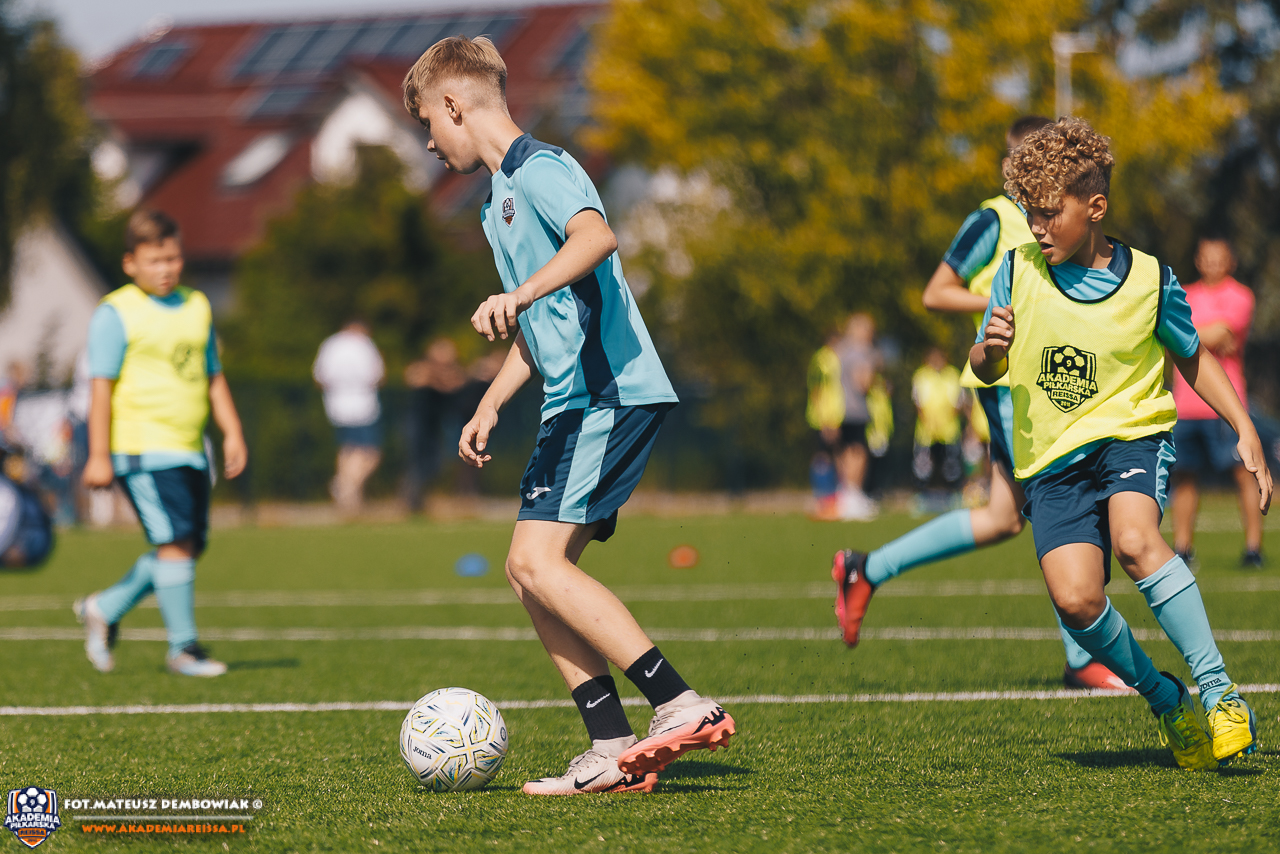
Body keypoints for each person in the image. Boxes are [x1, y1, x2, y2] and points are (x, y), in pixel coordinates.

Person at [402, 35, 735, 795]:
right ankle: (611, 745)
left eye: (428, 122)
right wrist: (490, 402)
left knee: (535, 563)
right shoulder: (495, 205)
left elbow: (596, 237)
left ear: (454, 104)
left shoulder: (541, 167)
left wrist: (519, 293)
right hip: (572, 403)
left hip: (608, 394)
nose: (428, 141)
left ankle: (680, 702)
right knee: (530, 575)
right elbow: (537, 321)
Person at [969, 118, 1270, 769]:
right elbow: (985, 366)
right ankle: (1166, 698)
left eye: (1050, 212)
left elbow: (1192, 356)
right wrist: (989, 351)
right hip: (1050, 460)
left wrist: (1243, 427)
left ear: (1095, 207)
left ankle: (1222, 694)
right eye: (1029, 213)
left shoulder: (1150, 279)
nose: (1036, 227)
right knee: (1076, 599)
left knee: (1136, 541)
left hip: (1131, 438)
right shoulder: (1016, 271)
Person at [831, 116, 1125, 691]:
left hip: (1049, 381)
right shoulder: (993, 218)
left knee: (1002, 517)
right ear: (1014, 163)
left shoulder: (1064, 219)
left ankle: (866, 568)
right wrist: (1008, 301)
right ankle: (1082, 655)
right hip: (1008, 382)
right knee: (1061, 500)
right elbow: (936, 291)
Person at [74, 209, 247, 676]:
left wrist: (231, 430)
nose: (166, 269)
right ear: (130, 263)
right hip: (141, 448)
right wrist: (98, 455)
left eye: (173, 259)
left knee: (188, 546)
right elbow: (100, 388)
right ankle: (183, 649)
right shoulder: (115, 312)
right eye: (154, 260)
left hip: (190, 447)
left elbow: (212, 375)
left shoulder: (196, 305)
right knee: (174, 544)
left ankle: (104, 608)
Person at [1169, 238, 1263, 568]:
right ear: (1198, 260)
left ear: (1230, 262)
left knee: (1244, 473)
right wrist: (1196, 333)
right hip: (1185, 404)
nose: (1212, 263)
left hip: (1225, 405)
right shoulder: (1183, 293)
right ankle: (1183, 549)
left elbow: (1219, 334)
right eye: (1206, 257)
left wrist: (1182, 333)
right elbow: (1184, 336)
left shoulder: (1241, 295)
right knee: (1184, 477)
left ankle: (1253, 549)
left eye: (1218, 257)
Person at [313, 319, 384, 514]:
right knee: (370, 453)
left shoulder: (330, 345)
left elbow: (319, 378)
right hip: (363, 406)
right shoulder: (364, 344)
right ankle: (344, 487)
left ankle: (350, 499)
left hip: (336, 406)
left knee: (347, 451)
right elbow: (378, 376)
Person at [832, 314, 879, 520]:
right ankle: (854, 495)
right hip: (857, 409)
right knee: (858, 452)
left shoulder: (842, 351)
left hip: (841, 408)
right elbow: (863, 383)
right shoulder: (861, 353)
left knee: (845, 452)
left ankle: (846, 494)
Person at [911, 347, 965, 505]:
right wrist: (928, 420)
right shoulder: (921, 375)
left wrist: (947, 419)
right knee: (923, 464)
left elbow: (959, 401)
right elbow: (917, 402)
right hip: (926, 430)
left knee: (951, 465)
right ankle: (921, 495)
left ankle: (953, 494)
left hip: (949, 430)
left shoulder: (953, 374)